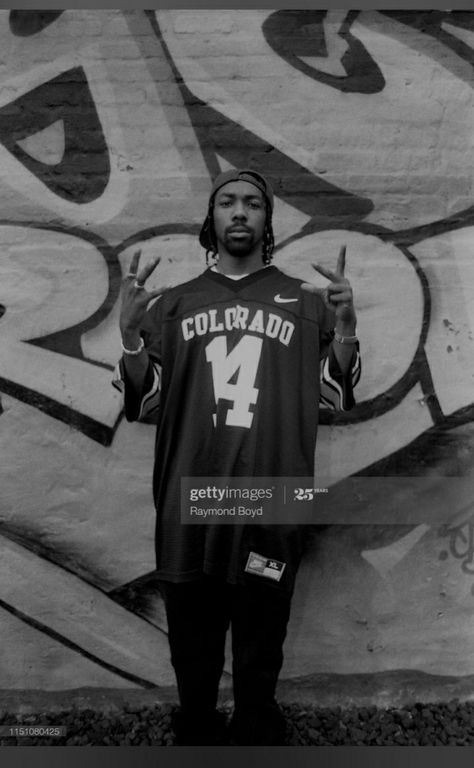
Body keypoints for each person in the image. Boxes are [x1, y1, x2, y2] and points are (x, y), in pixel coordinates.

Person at [113, 169, 361, 746]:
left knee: (260, 638)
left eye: (253, 203)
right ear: (213, 218)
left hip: (269, 502)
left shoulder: (307, 301)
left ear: (267, 219)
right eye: (228, 202)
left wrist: (345, 328)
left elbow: (337, 395)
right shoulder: (171, 305)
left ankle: (256, 729)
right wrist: (129, 336)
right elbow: (140, 401)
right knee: (193, 646)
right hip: (189, 499)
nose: (241, 212)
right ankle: (197, 730)